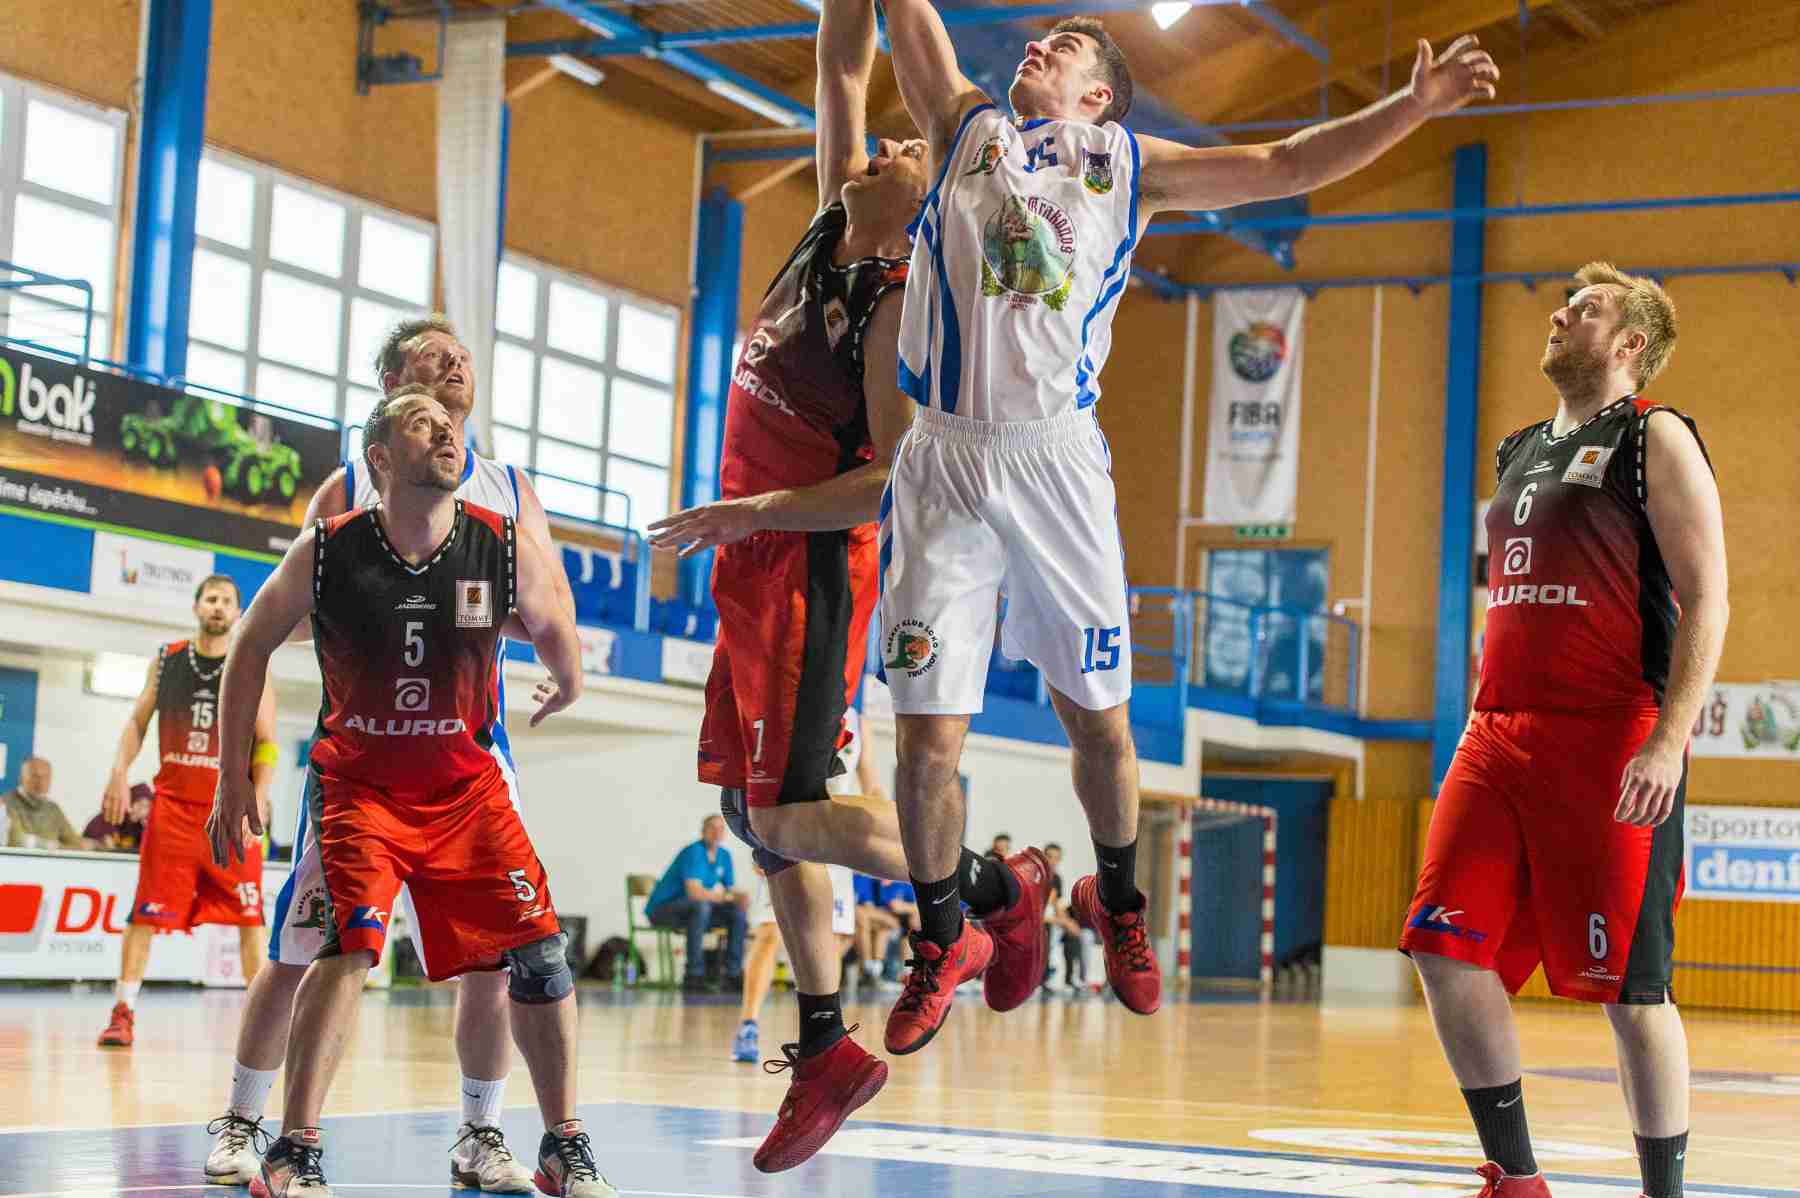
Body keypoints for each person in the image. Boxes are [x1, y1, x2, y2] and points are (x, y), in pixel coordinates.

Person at [875, 0, 1498, 1046]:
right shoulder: (966, 128)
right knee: (925, 736)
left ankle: (1117, 902)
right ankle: (944, 939)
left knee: (1100, 722)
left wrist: (1412, 106)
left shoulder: (1126, 162)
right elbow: (908, 25)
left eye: (1068, 43)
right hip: (943, 458)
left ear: (1098, 93)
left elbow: (1283, 163)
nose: (1039, 42)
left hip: (1054, 461)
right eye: (1041, 34)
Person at [644, 0, 1054, 1170]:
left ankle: (997, 889)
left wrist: (749, 513)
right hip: (752, 557)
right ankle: (825, 1043)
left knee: (784, 812)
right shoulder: (835, 219)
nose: (884, 144)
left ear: (926, 207)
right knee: (751, 811)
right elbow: (839, 65)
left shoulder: (892, 307)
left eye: (908, 148)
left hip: (809, 563)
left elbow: (887, 482)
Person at [208, 386, 610, 1198]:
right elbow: (248, 644)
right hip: (361, 789)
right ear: (381, 459)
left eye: (451, 422)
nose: (446, 432)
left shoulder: (499, 543)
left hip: (466, 789)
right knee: (348, 945)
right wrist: (230, 779)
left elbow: (555, 621)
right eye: (422, 423)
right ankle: (292, 1148)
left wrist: (567, 680)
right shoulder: (328, 547)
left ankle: (561, 1143)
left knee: (538, 955)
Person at [1400, 264, 1724, 1198]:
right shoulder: (1517, 449)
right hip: (1496, 732)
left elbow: (1708, 599)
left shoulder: (1653, 435)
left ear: (1629, 344)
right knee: (1441, 946)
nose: (1559, 314)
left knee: (1632, 992)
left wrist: (1666, 740)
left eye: (1585, 310)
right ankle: (1517, 1178)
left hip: (1613, 734)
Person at [95, 576, 278, 1049]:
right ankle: (122, 1012)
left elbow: (267, 742)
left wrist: (259, 797)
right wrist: (119, 770)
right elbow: (137, 722)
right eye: (211, 599)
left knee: (251, 918)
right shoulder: (168, 659)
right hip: (173, 811)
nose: (218, 607)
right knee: (143, 913)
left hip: (228, 813)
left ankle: (260, 1024)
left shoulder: (252, 662)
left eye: (227, 601)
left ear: (237, 613)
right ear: (197, 606)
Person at [733, 714, 868, 1062]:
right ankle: (748, 1024)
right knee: (768, 933)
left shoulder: (858, 721)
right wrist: (755, 836)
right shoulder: (795, 701)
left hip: (837, 840)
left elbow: (873, 788)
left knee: (832, 941)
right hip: (789, 833)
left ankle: (822, 1035)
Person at [644, 815, 751, 993]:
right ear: (703, 831)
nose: (717, 832)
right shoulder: (694, 852)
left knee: (737, 914)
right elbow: (695, 892)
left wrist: (741, 897)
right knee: (701, 906)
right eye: (712, 828)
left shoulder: (724, 856)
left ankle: (733, 975)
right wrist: (727, 897)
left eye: (721, 828)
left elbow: (731, 890)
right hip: (663, 910)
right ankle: (694, 975)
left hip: (696, 912)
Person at [4, 758, 91, 849]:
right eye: (35, 776)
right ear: (21, 778)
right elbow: (18, 840)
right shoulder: (6, 803)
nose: (41, 782)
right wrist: (56, 847)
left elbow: (74, 841)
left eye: (46, 777)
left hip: (52, 858)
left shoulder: (52, 808)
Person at [1040, 843, 1086, 990]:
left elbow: (1056, 904)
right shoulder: (1036, 877)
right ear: (1043, 857)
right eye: (1049, 857)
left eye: (1056, 858)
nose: (1053, 861)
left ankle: (1070, 978)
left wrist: (1068, 922)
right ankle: (1043, 978)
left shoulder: (1056, 879)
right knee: (1047, 930)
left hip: (1050, 920)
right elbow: (1034, 914)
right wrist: (1061, 921)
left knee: (1073, 934)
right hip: (1037, 921)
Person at [84, 783, 153, 852]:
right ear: (129, 801)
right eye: (138, 802)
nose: (141, 809)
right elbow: (85, 844)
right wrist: (99, 844)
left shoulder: (142, 828)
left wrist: (148, 830)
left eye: (146, 806)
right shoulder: (108, 817)